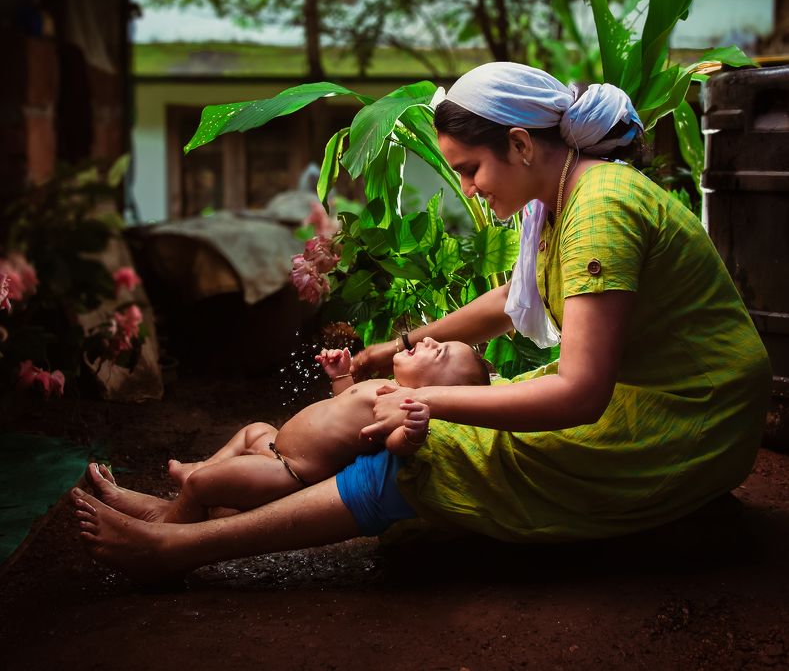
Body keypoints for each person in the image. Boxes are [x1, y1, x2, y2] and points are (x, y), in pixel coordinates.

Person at [71, 62, 772, 582]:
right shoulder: (568, 198)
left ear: (522, 146)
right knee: (427, 431)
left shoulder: (599, 209)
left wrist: (422, 398)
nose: (467, 188)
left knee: (429, 452)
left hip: (687, 421)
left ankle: (179, 548)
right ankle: (181, 510)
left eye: (470, 170)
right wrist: (398, 346)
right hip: (654, 397)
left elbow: (579, 395)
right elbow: (512, 298)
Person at [83, 338, 490, 525]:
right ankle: (201, 472)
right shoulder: (385, 387)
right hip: (274, 446)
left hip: (287, 471)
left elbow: (397, 447)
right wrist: (341, 375)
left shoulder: (406, 408)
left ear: (436, 390)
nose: (430, 339)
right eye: (439, 341)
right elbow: (343, 408)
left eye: (438, 352)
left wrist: (414, 432)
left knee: (206, 486)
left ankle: (166, 518)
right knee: (253, 429)